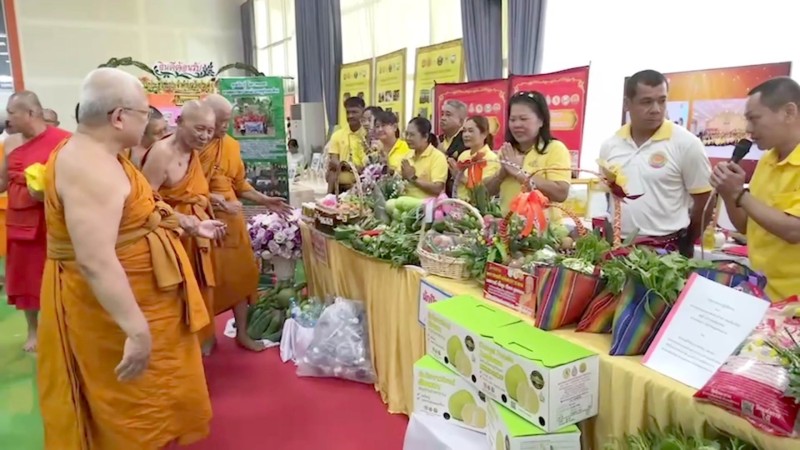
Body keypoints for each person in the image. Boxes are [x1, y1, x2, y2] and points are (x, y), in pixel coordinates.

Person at [38, 67, 223, 449]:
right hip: (115, 314)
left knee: (156, 397)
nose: (151, 121)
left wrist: (188, 225)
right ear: (119, 117)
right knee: (132, 405)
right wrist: (136, 330)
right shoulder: (88, 166)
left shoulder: (108, 155)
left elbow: (142, 211)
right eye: (144, 112)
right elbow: (95, 260)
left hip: (148, 295)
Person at [200, 93, 291, 352]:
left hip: (233, 222)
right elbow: (187, 189)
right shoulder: (194, 146)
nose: (224, 127)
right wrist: (215, 201)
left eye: (227, 121)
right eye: (220, 121)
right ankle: (207, 335)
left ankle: (242, 333)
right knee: (207, 280)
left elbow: (239, 184)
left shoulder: (230, 145)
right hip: (203, 222)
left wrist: (265, 199)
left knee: (242, 278)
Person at [599, 70, 712, 256]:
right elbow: (609, 199)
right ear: (627, 104)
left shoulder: (687, 144)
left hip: (667, 250)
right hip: (618, 248)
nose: (656, 109)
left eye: (662, 101)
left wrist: (687, 241)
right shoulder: (610, 146)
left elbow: (705, 201)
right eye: (646, 102)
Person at [141, 100, 221, 356]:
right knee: (179, 296)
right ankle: (182, 350)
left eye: (210, 130)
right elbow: (144, 202)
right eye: (199, 129)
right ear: (179, 122)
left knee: (202, 286)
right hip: (172, 235)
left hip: (198, 232)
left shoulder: (195, 152)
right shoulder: (161, 153)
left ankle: (201, 342)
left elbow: (194, 192)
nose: (205, 136)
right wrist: (181, 220)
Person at [711, 77, 800, 301]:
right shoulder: (767, 159)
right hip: (761, 293)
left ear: (789, 113)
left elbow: (794, 231)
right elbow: (745, 225)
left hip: (794, 301)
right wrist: (728, 193)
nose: (749, 129)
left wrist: (739, 194)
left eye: (754, 119)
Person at [0, 90, 71, 352]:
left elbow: (76, 183)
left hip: (53, 220)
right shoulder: (10, 143)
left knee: (59, 277)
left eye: (12, 112)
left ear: (30, 113)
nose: (8, 118)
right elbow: (3, 181)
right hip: (20, 220)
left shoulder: (64, 141)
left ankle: (65, 329)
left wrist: (49, 191)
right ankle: (33, 330)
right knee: (25, 278)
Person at [485, 91, 571, 215]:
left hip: (543, 226)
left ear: (541, 121)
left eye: (523, 119)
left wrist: (520, 173)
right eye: (512, 119)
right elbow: (486, 192)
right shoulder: (507, 150)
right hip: (506, 224)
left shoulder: (555, 148)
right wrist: (503, 172)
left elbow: (560, 193)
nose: (517, 124)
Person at [449, 115, 500, 201]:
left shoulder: (492, 159)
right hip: (458, 203)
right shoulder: (463, 155)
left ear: (484, 134)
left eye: (471, 131)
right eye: (464, 131)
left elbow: (484, 190)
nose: (466, 135)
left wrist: (461, 177)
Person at [400, 117, 448, 199]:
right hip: (404, 202)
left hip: (427, 205)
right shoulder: (407, 156)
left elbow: (438, 188)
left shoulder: (437, 157)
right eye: (406, 134)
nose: (407, 138)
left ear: (425, 136)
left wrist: (413, 178)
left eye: (412, 135)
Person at [327, 97, 367, 193]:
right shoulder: (337, 135)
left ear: (363, 112)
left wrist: (344, 166)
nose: (350, 116)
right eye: (348, 112)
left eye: (354, 112)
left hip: (363, 185)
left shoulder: (368, 135)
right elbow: (333, 161)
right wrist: (350, 167)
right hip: (340, 186)